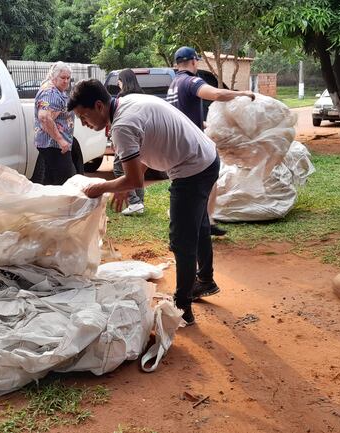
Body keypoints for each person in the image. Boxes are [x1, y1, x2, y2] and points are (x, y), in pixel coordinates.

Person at [68, 79, 221, 325]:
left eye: (84, 116)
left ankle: (183, 306)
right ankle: (205, 280)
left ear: (98, 106)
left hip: (191, 168)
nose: (84, 124)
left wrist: (100, 187)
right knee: (199, 224)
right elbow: (147, 149)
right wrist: (123, 185)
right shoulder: (128, 102)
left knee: (182, 238)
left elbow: (136, 181)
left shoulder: (122, 126)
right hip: (206, 157)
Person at [166, 46, 256, 236]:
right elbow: (216, 94)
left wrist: (205, 124)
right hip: (190, 146)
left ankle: (204, 219)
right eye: (196, 61)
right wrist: (241, 93)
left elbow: (182, 113)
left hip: (179, 144)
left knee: (202, 181)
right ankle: (201, 221)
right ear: (193, 61)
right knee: (204, 178)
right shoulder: (191, 81)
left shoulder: (174, 84)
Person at [31, 62, 75, 185]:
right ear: (54, 77)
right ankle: (61, 204)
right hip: (54, 146)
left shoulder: (56, 90)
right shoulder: (50, 93)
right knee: (63, 181)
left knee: (50, 180)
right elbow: (44, 118)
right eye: (63, 78)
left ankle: (51, 203)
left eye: (68, 78)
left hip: (53, 145)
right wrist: (61, 140)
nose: (66, 81)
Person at [112, 69, 146, 215]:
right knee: (137, 169)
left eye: (118, 81)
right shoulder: (142, 94)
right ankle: (139, 201)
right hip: (142, 136)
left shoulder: (122, 97)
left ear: (123, 81)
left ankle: (134, 201)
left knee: (120, 168)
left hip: (127, 138)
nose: (118, 84)